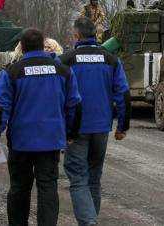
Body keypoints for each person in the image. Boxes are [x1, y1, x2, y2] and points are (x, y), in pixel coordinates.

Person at [0, 28, 82, 226]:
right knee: (48, 188)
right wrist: (71, 133)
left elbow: (0, 107)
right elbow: (74, 104)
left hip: (21, 142)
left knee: (19, 188)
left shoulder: (11, 72)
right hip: (51, 141)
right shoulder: (63, 71)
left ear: (21, 47)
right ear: (43, 46)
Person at [60, 17, 131, 226]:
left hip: (75, 129)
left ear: (77, 36)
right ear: (96, 35)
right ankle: (90, 219)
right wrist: (123, 126)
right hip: (101, 128)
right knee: (93, 179)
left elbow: (56, 96)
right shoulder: (111, 59)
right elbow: (123, 94)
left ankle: (89, 222)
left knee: (78, 179)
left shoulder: (66, 60)